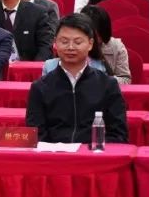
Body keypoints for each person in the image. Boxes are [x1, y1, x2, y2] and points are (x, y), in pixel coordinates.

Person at [25, 14, 128, 144]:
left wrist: (91, 148)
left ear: (90, 44)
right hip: (54, 154)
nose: (70, 47)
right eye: (64, 42)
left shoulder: (108, 85)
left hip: (93, 153)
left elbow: (118, 134)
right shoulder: (40, 87)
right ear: (55, 43)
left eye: (78, 42)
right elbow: (36, 135)